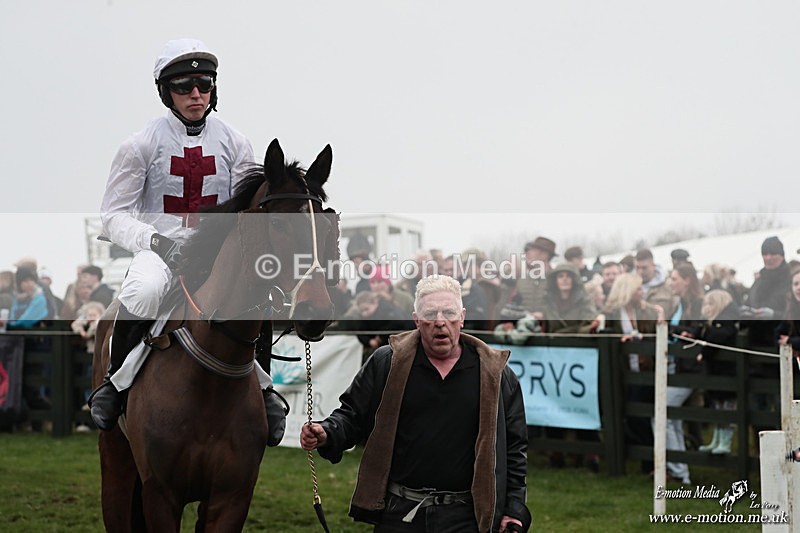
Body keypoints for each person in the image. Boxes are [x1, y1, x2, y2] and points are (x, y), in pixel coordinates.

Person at [89, 39, 292, 440]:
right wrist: (158, 243)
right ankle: (116, 383)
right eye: (185, 86)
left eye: (204, 84)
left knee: (254, 293)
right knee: (144, 291)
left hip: (215, 251)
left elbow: (245, 211)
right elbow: (113, 215)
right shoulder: (139, 144)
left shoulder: (236, 141)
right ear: (167, 93)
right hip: (159, 249)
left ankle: (265, 387)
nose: (196, 94)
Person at [301, 275, 531, 533]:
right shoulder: (387, 363)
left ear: (462, 317)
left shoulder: (495, 374)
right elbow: (352, 415)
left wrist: (514, 509)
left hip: (466, 516)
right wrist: (327, 432)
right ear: (417, 319)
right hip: (399, 514)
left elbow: (514, 448)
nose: (440, 322)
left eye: (449, 313)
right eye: (430, 313)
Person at [693, 290, 740, 454]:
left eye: (710, 303)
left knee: (727, 408)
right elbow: (698, 334)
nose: (707, 307)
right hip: (716, 373)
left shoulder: (725, 321)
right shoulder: (710, 322)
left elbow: (716, 338)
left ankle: (725, 442)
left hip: (727, 374)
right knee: (717, 407)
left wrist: (704, 353)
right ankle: (717, 440)